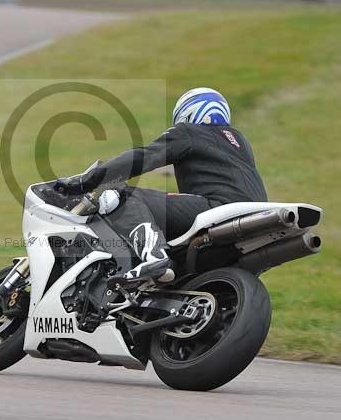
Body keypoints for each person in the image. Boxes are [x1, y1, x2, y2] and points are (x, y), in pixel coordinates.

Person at [56, 87, 268, 285]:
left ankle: (154, 256)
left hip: (220, 208)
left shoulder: (188, 131)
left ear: (187, 113)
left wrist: (88, 179)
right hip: (257, 217)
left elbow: (143, 157)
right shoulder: (240, 142)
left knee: (122, 194)